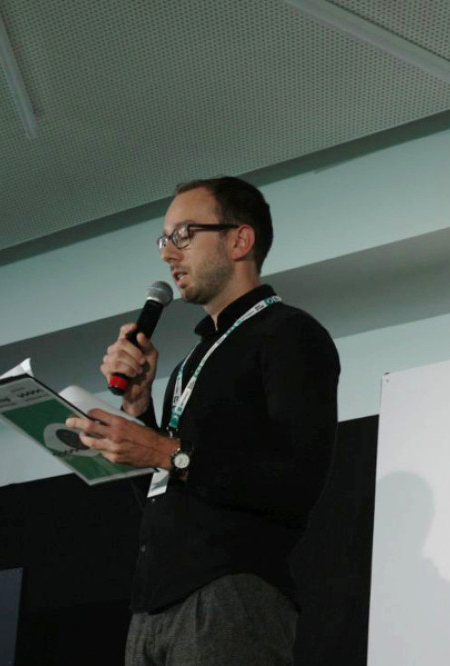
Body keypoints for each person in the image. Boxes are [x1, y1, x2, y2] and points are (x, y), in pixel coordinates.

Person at [66, 176, 340, 666]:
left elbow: (297, 480)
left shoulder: (289, 335)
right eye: (164, 240)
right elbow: (170, 489)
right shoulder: (191, 362)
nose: (169, 255)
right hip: (152, 606)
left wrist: (165, 451)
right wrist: (140, 408)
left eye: (184, 235)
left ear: (240, 240)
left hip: (230, 595)